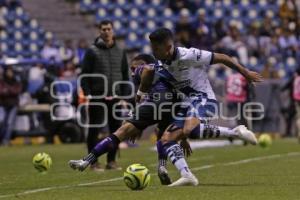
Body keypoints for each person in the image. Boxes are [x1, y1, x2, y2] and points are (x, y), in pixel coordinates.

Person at [136, 28, 262, 186]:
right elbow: (147, 73)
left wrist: (246, 73)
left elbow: (222, 57)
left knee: (189, 130)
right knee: (166, 139)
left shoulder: (189, 55)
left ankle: (235, 132)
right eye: (152, 48)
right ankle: (187, 175)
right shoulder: (161, 64)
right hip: (186, 105)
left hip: (204, 98)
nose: (153, 52)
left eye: (156, 49)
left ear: (168, 47)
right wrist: (140, 93)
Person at [80, 20, 130, 171]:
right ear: (99, 32)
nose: (107, 32)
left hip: (115, 96)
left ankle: (111, 161)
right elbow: (84, 75)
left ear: (113, 31)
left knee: (116, 130)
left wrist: (123, 95)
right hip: (97, 96)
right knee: (94, 129)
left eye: (109, 29)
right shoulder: (92, 51)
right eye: (104, 29)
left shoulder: (121, 51)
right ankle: (93, 161)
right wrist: (88, 94)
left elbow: (124, 75)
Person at [0, 66, 22, 145]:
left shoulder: (16, 81)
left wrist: (8, 90)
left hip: (13, 105)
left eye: (11, 71)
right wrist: (9, 91)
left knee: (9, 124)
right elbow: (1, 92)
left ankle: (6, 140)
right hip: (2, 104)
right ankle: (1, 139)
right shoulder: (2, 81)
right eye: (9, 71)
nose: (10, 73)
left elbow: (17, 91)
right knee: (1, 121)